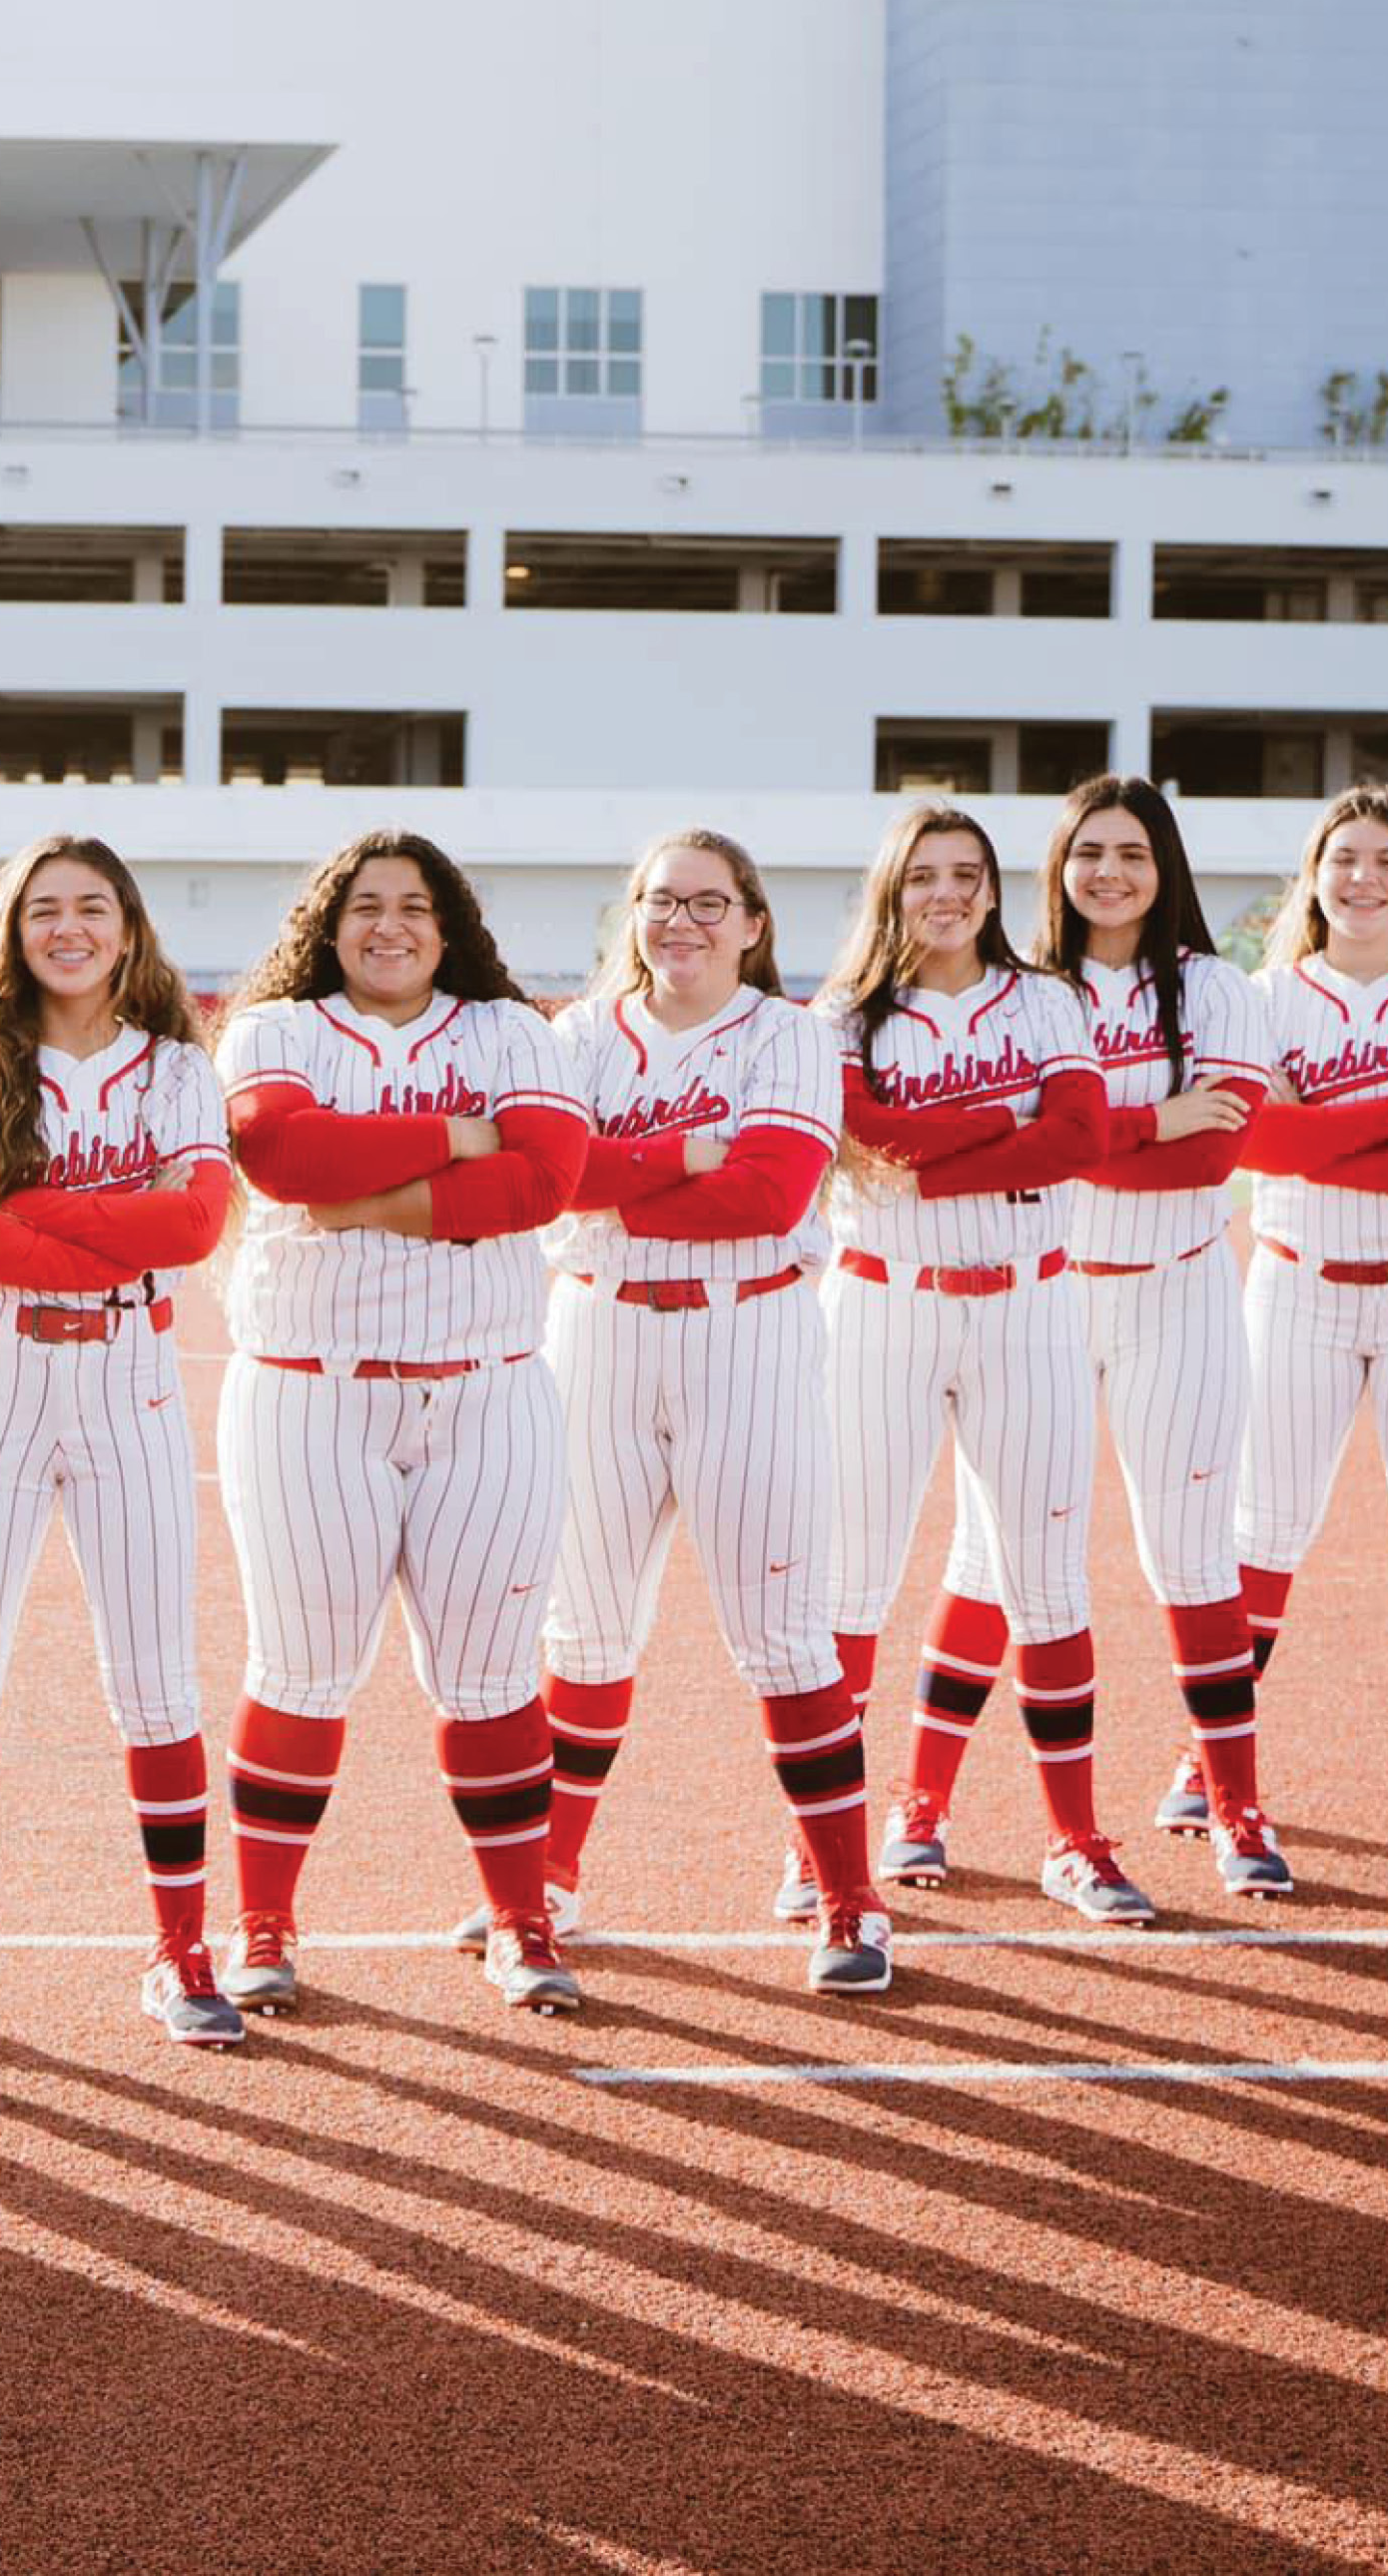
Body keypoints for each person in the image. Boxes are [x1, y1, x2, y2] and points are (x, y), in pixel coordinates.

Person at [212, 829, 588, 2017]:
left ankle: (520, 1921)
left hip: (486, 1387)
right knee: (301, 1670)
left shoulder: (507, 1029)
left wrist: (362, 1198)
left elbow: (541, 1184)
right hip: (308, 1389)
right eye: (364, 905)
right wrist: (459, 1138)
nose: (389, 926)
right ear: (327, 925)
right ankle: (262, 1925)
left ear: (449, 924)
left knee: (488, 1677)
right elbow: (280, 1153)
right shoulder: (273, 1030)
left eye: (414, 907)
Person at [520, 830, 892, 1991]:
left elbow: (768, 1192)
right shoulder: (576, 1034)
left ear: (750, 924)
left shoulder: (791, 1033)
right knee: (579, 1631)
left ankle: (847, 1899)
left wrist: (617, 1170)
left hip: (750, 1331)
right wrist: (685, 1152)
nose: (680, 921)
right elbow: (546, 1180)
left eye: (707, 903)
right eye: (658, 901)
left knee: (782, 1634)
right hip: (597, 1329)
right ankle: (544, 1885)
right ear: (630, 916)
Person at [0, 835, 242, 2049]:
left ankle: (184, 1948)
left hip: (128, 1379)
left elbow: (192, 1227)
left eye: (91, 906)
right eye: (42, 909)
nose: (68, 928)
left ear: (128, 928)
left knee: (153, 1678)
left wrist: (26, 1212)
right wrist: (106, 1227)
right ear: (10, 929)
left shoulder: (174, 1066)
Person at [931, 779, 1288, 1896]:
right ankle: (919, 1801)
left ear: (1161, 864)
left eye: (1130, 852)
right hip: (1036, 1296)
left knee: (1188, 1555)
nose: (1108, 872)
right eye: (1087, 850)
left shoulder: (1213, 987)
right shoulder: (1019, 990)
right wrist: (1140, 1121)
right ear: (1057, 864)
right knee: (991, 1552)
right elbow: (998, 1147)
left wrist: (1076, 1136)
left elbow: (1209, 1157)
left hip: (1174, 1290)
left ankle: (1233, 1807)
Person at [814, 802, 1144, 1923]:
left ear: (994, 891)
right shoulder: (844, 1013)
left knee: (1045, 1579)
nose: (945, 894)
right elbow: (865, 1146)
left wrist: (923, 1152)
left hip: (1027, 1309)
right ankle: (826, 1850)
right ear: (890, 892)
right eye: (921, 877)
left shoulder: (1044, 999)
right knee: (850, 1581)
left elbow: (1078, 1139)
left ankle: (1074, 1841)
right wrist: (992, 1131)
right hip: (880, 1313)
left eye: (965, 874)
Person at [1237, 785, 1388, 1710]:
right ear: (1313, 878)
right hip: (1294, 1287)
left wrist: (1316, 1127)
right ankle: (1212, 1753)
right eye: (1344, 858)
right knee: (1262, 1524)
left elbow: (1304, 1143)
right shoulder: (1263, 997)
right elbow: (1257, 1145)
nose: (1364, 877)